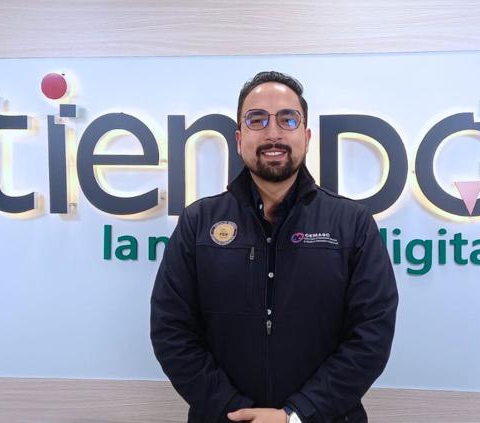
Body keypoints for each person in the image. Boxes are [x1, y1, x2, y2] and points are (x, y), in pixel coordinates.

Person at [151, 71, 398, 423]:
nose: (272, 133)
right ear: (239, 139)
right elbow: (171, 331)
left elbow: (371, 337)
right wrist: (235, 411)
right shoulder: (198, 223)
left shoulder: (353, 223)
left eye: (288, 119)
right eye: (257, 120)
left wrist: (295, 415)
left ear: (306, 137)